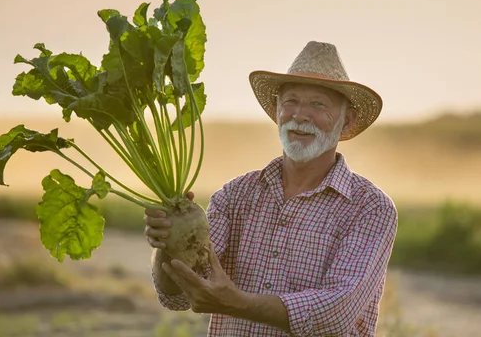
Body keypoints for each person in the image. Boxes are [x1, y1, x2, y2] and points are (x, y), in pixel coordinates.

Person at [144, 41, 398, 336]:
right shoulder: (234, 195)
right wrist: (168, 243)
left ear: (347, 121)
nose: (300, 115)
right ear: (277, 110)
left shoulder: (370, 207)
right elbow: (178, 295)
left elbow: (337, 311)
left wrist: (238, 303)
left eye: (318, 104)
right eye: (290, 101)